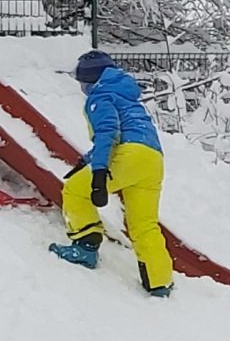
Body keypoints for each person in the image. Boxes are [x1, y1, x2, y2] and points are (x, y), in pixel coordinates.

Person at [49, 50, 176, 298]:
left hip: (129, 155)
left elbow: (108, 133)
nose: (83, 89)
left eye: (83, 84)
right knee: (144, 224)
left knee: (75, 189)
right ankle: (159, 281)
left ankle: (85, 246)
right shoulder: (127, 97)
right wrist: (87, 159)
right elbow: (125, 133)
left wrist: (98, 173)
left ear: (90, 80)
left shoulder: (100, 96)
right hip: (153, 160)